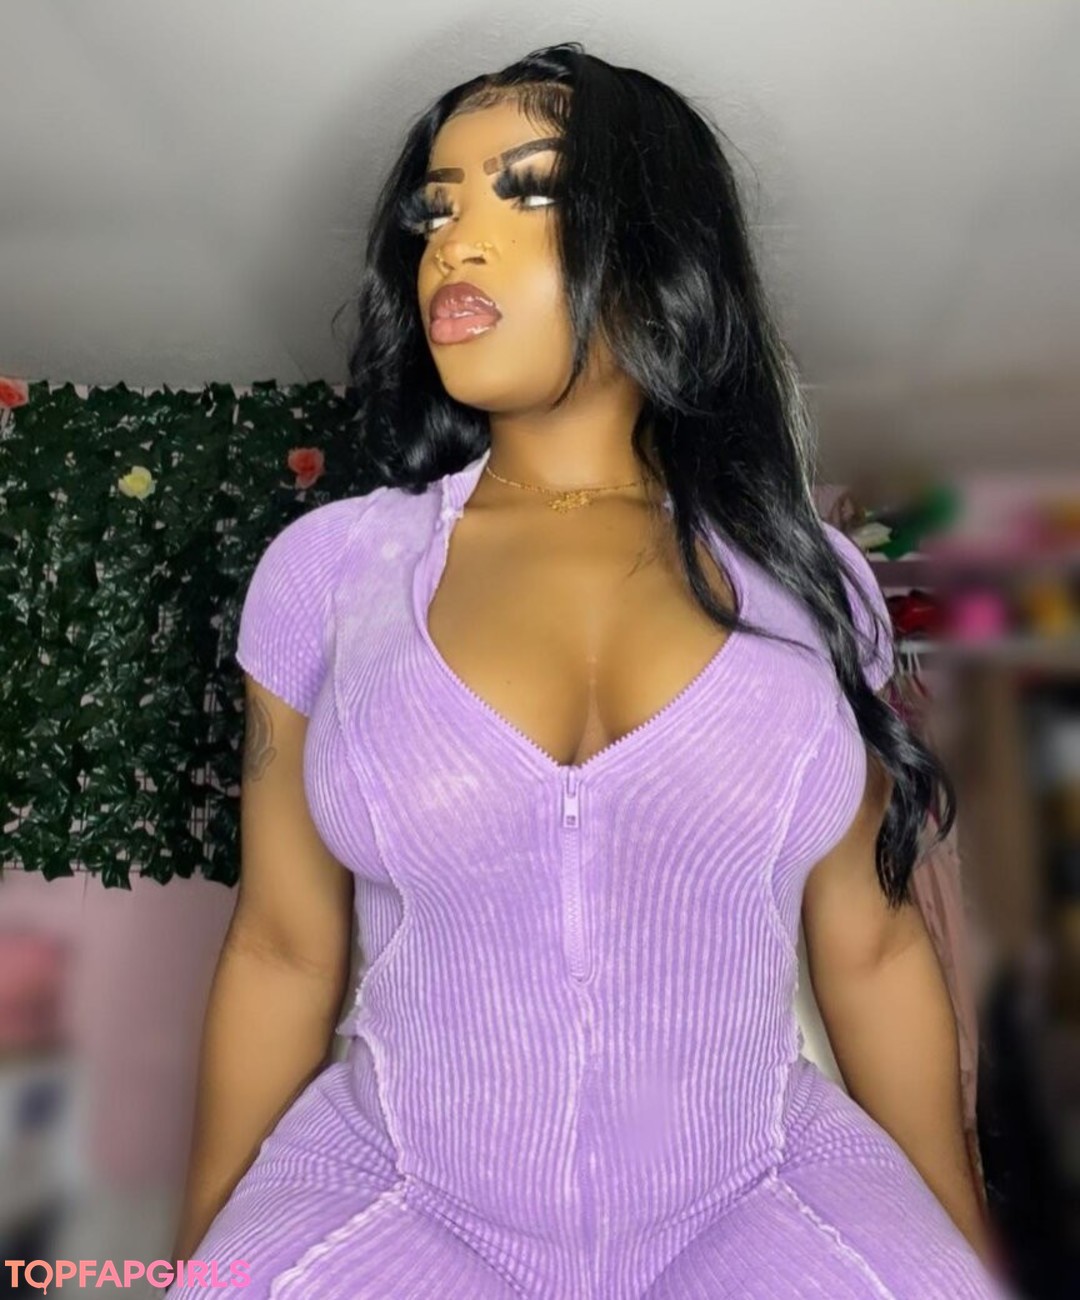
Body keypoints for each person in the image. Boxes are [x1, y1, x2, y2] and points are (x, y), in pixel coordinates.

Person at [164, 42, 1014, 1299]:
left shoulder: (812, 581)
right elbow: (285, 948)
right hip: (399, 1188)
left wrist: (961, 1242)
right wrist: (196, 1256)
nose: (454, 243)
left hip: (758, 1184)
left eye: (529, 190)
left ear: (662, 248)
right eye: (436, 208)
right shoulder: (330, 575)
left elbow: (873, 946)